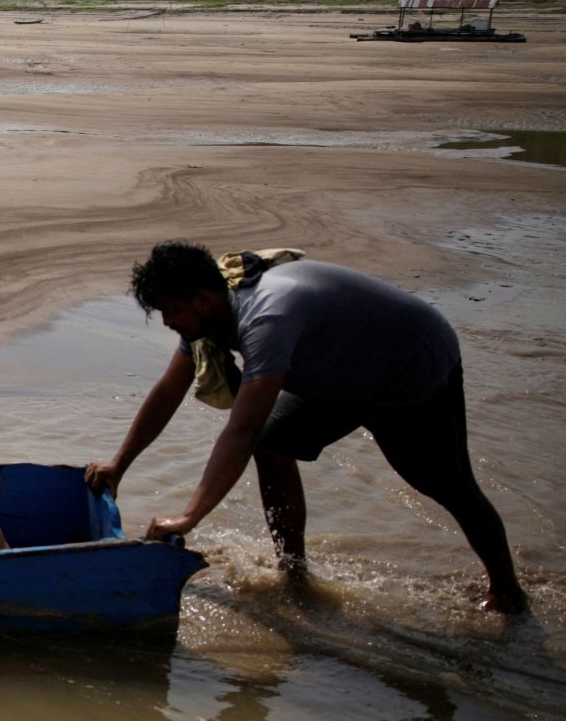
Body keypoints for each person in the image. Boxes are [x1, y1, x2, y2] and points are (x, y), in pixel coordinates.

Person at [85, 240, 527, 614]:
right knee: (272, 443)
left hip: (409, 370)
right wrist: (119, 465)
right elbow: (168, 392)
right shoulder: (211, 314)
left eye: (171, 312)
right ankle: (294, 573)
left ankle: (508, 594)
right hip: (339, 374)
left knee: (447, 485)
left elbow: (239, 429)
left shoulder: (266, 319)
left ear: (202, 300)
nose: (167, 323)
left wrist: (189, 517)